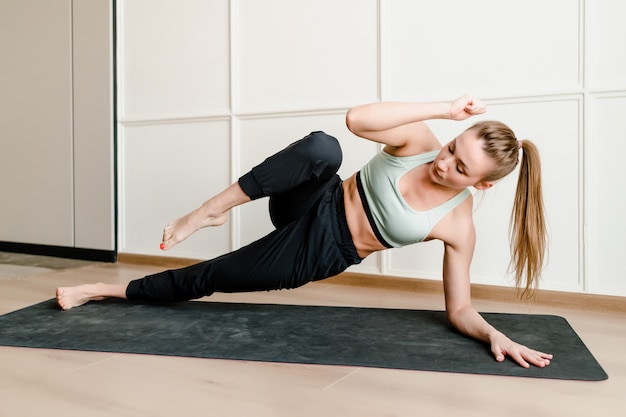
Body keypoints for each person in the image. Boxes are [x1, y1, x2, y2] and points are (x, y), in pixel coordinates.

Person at [56, 94, 552, 368]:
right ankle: (210, 209)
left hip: (319, 251)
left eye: (461, 168)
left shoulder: (457, 224)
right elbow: (357, 119)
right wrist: (444, 110)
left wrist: (491, 333)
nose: (444, 164)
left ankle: (99, 290)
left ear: (481, 185)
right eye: (451, 149)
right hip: (319, 198)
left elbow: (460, 308)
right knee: (323, 147)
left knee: (209, 277)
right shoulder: (421, 141)